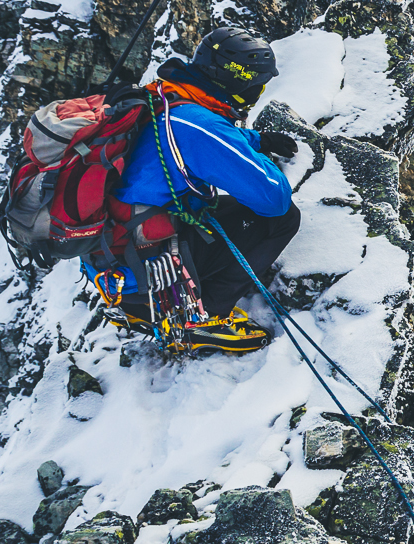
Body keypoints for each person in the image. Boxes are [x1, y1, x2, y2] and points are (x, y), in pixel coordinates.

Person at [90, 26, 302, 353]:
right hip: (144, 268)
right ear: (242, 84)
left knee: (224, 210)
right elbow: (273, 198)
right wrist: (260, 159)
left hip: (114, 259)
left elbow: (193, 137)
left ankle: (142, 306)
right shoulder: (197, 124)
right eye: (258, 85)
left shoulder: (162, 96)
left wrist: (253, 140)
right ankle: (204, 315)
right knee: (282, 219)